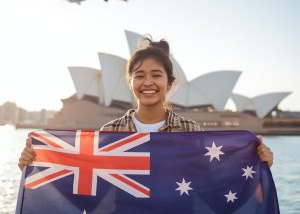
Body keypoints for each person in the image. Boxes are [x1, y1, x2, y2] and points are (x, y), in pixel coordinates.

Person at [18, 36, 273, 170]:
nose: (147, 82)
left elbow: (213, 185)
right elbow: (88, 191)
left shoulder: (191, 132)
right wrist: (37, 164)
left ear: (170, 83)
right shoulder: (111, 132)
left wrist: (256, 161)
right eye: (139, 75)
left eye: (156, 75)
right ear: (130, 83)